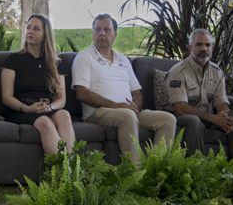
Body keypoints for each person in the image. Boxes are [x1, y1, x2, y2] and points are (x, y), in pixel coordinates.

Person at [71, 13, 176, 164]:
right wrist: (118, 106)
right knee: (127, 116)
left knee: (168, 119)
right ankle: (135, 175)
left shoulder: (123, 59)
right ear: (92, 33)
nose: (101, 33)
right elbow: (82, 93)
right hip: (97, 113)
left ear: (114, 35)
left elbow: (136, 92)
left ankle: (156, 170)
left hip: (128, 111)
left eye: (106, 30)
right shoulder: (84, 57)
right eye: (97, 29)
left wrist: (137, 106)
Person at [164, 28, 233, 159]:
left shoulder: (216, 72)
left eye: (207, 45)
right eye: (199, 44)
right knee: (194, 121)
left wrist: (224, 116)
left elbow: (221, 101)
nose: (204, 48)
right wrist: (213, 118)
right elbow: (180, 108)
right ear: (189, 48)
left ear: (212, 48)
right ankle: (198, 171)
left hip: (205, 117)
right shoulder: (178, 72)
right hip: (179, 118)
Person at [1, 14, 76, 154]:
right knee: (45, 123)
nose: (30, 31)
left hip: (46, 108)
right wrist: (28, 108)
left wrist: (50, 107)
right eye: (28, 27)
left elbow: (61, 99)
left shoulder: (55, 63)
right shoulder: (13, 59)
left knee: (64, 115)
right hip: (21, 110)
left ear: (45, 34)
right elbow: (6, 97)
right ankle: (69, 173)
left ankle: (69, 170)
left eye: (36, 29)